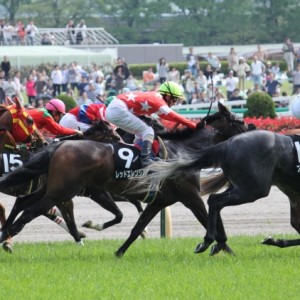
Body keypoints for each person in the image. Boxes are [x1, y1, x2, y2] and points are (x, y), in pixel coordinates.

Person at [105, 81, 196, 167]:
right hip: (117, 109)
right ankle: (145, 159)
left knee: (141, 133)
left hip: (114, 109)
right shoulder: (158, 100)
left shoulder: (156, 98)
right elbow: (173, 115)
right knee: (148, 131)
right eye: (175, 99)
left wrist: (181, 123)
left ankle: (136, 154)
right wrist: (194, 125)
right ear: (168, 96)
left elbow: (166, 116)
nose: (175, 102)